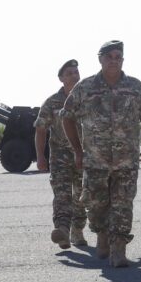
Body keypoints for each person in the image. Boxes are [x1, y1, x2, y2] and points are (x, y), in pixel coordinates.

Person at [61, 41, 141, 267]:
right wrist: (78, 151)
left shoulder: (135, 87)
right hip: (95, 161)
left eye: (118, 57)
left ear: (123, 60)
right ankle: (101, 235)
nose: (114, 60)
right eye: (109, 56)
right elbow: (67, 116)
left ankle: (119, 249)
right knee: (96, 205)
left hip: (126, 161)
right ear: (100, 59)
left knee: (123, 204)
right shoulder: (85, 87)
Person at [36, 59, 87, 249]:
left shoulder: (88, 99)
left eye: (76, 72)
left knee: (81, 196)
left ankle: (77, 230)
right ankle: (62, 230)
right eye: (69, 73)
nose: (74, 76)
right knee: (62, 195)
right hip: (60, 157)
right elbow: (41, 129)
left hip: (84, 156)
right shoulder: (52, 102)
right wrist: (40, 156)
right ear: (61, 79)